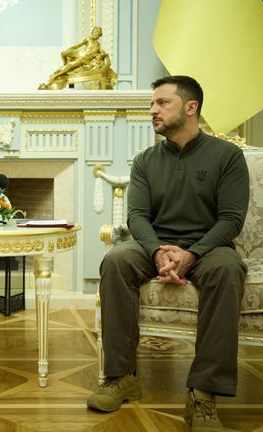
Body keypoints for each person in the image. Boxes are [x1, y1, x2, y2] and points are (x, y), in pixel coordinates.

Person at [86, 75, 249, 432]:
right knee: (115, 260)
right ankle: (120, 377)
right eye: (152, 104)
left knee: (228, 270)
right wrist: (157, 251)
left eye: (162, 103)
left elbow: (231, 219)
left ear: (191, 108)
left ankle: (203, 393)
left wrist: (191, 253)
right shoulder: (146, 160)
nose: (153, 110)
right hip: (154, 245)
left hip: (209, 247)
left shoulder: (228, 156)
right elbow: (137, 216)